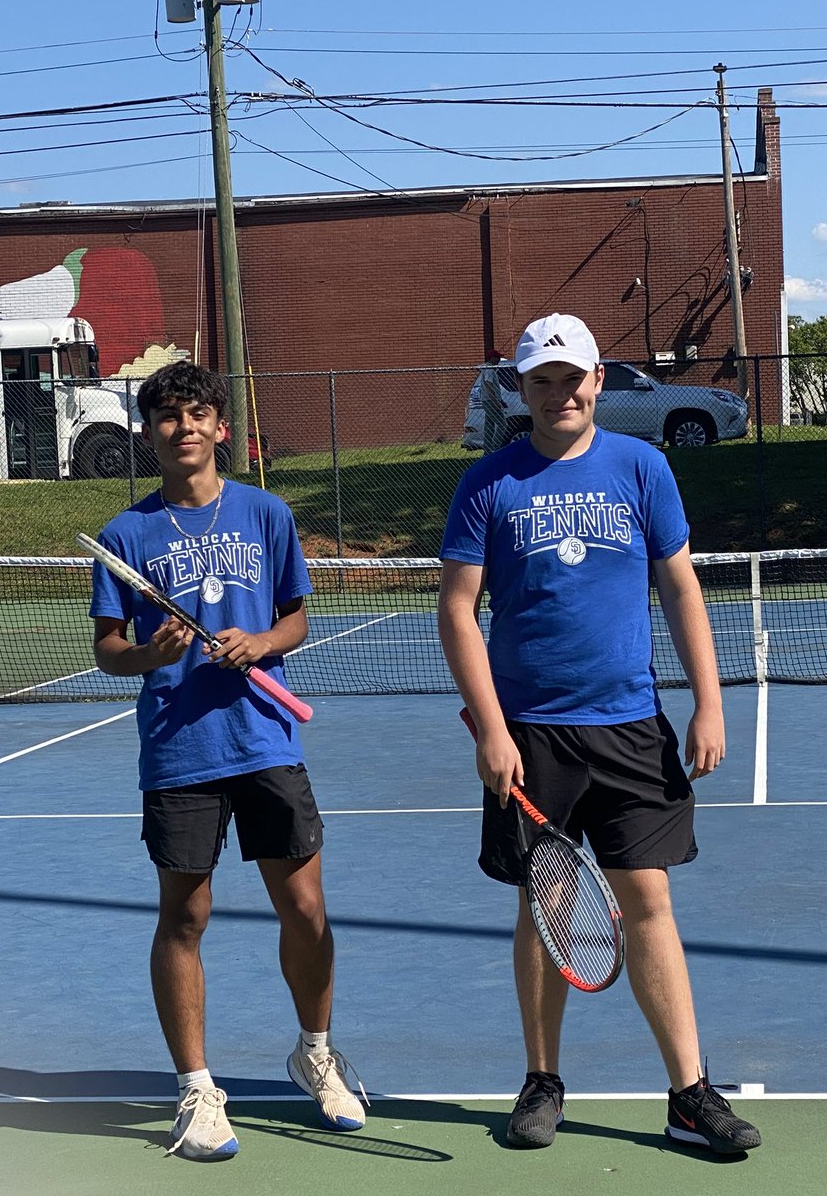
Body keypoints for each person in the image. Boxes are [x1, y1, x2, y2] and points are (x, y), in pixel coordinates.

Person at [437, 314, 761, 1156]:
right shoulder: (488, 483)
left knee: (649, 900)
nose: (561, 393)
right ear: (522, 389)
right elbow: (457, 612)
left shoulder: (643, 467)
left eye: (573, 377)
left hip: (630, 727)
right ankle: (542, 1079)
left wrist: (710, 703)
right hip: (531, 737)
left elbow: (682, 590)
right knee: (544, 912)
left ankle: (689, 1093)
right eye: (541, 380)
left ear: (597, 380)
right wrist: (493, 731)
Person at [89, 361, 366, 1161]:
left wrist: (262, 644)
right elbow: (109, 652)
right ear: (149, 432)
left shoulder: (266, 513)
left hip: (265, 741)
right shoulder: (124, 537)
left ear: (219, 426)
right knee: (185, 916)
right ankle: (197, 1090)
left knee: (305, 909)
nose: (182, 428)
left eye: (195, 414)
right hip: (179, 751)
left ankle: (315, 1052)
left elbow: (296, 618)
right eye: (166, 417)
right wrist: (151, 652)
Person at [480, 349, 507, 454]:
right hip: (490, 401)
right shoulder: (489, 369)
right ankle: (495, 447)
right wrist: (496, 401)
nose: (499, 360)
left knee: (489, 425)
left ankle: (487, 449)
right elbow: (489, 384)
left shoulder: (489, 368)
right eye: (497, 357)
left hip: (488, 400)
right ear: (491, 358)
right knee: (502, 424)